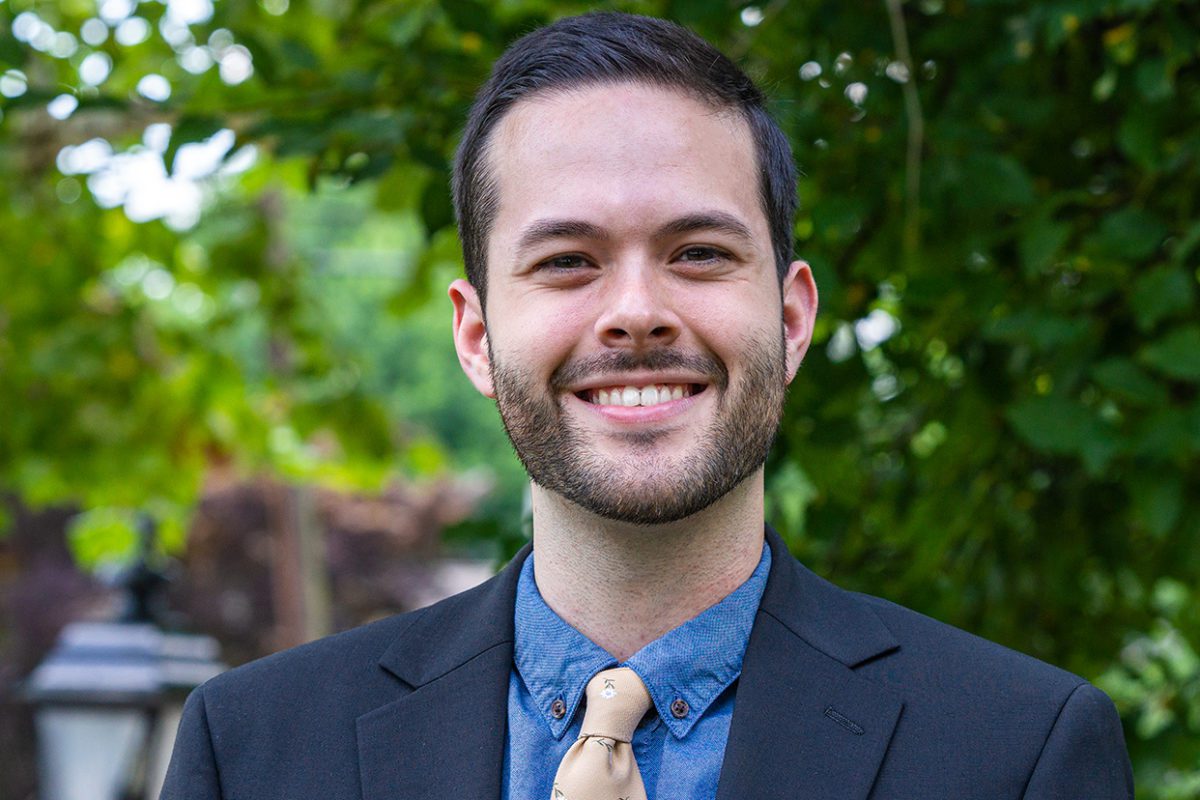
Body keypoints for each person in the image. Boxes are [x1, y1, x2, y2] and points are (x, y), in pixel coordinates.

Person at [162, 12, 1133, 799]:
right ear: (475, 337)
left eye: (699, 253)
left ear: (793, 320)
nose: (634, 313)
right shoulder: (253, 748)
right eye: (567, 261)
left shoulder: (1018, 751)